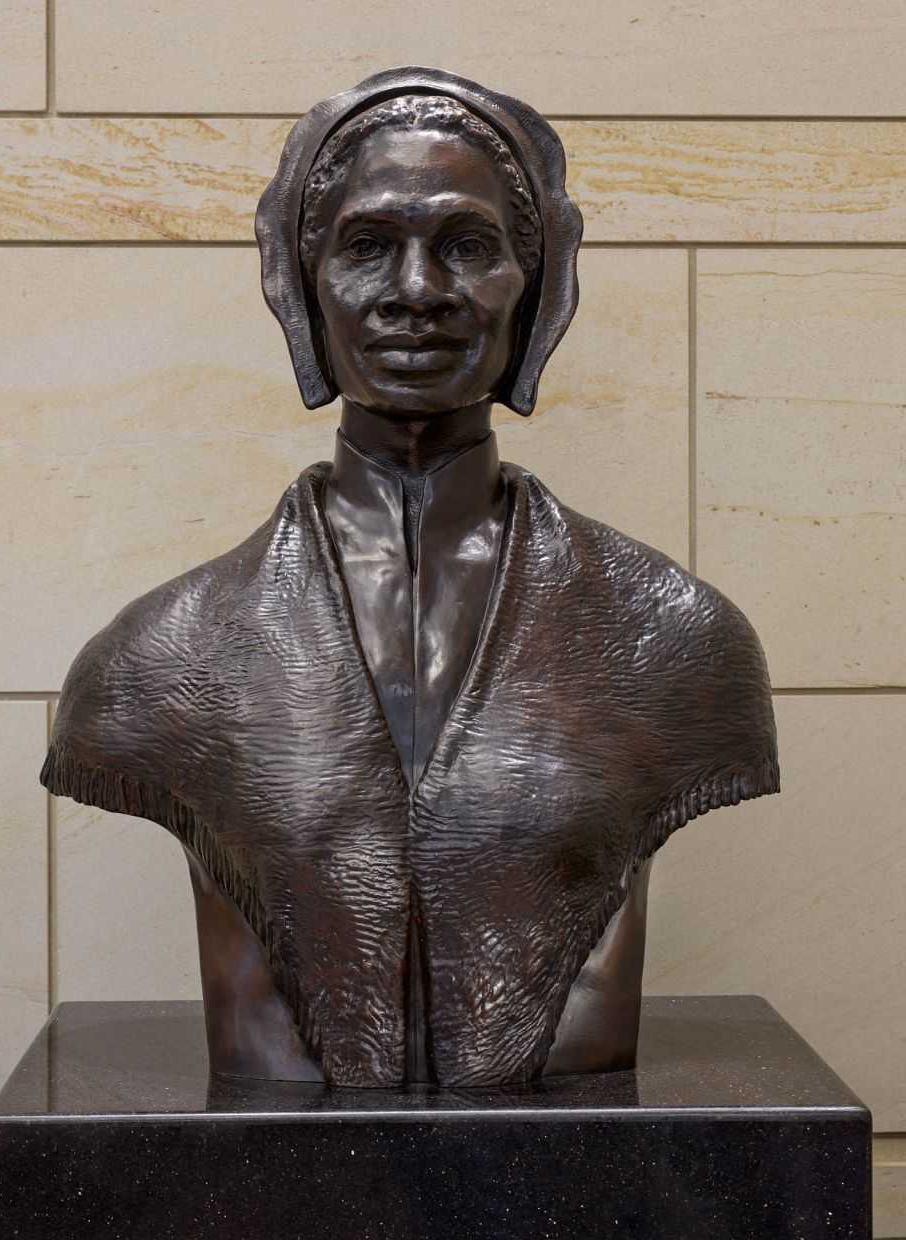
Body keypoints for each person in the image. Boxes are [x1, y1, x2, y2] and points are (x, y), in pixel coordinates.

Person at [42, 68, 779, 1089]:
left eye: (468, 247)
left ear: (539, 288)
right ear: (301, 285)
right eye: (368, 246)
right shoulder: (156, 661)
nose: (419, 291)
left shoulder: (681, 644)